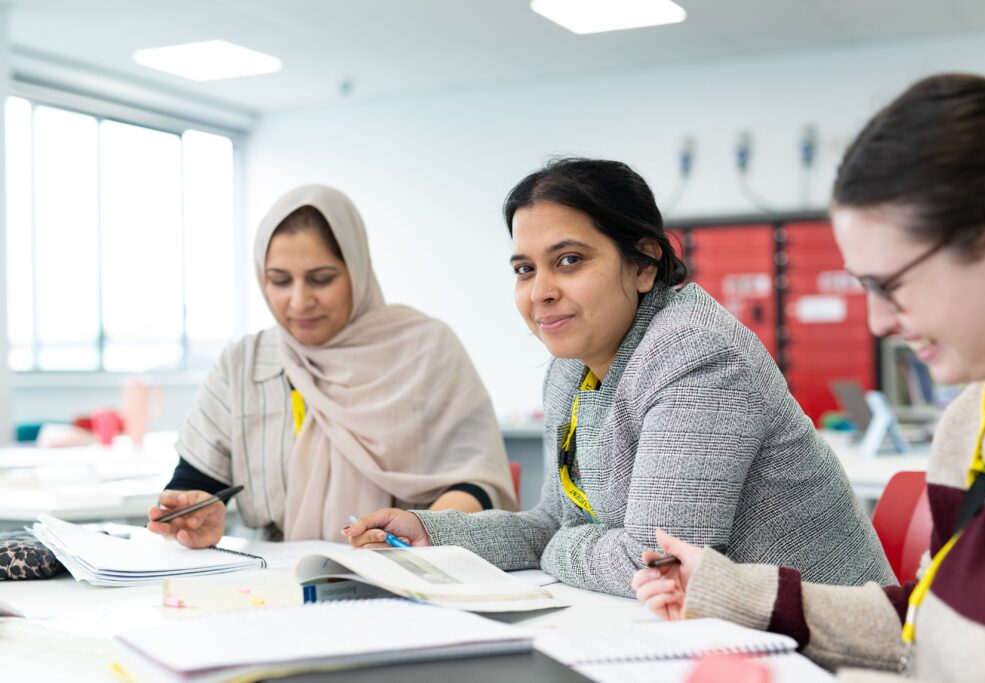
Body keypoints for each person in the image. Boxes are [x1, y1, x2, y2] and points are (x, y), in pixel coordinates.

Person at [345, 158, 893, 597]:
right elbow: (549, 525)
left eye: (569, 261)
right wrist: (433, 532)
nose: (540, 292)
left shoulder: (695, 353)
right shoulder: (570, 370)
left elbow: (658, 562)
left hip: (820, 649)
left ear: (644, 264)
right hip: (701, 636)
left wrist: (563, 546)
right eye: (524, 268)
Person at [633, 73, 985, 682]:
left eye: (890, 284)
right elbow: (926, 623)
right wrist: (728, 591)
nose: (878, 321)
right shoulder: (973, 422)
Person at [148, 185, 517, 547]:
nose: (299, 301)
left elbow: (479, 483)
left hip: (409, 572)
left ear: (357, 270)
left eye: (321, 279)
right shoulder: (242, 364)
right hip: (277, 581)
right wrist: (193, 515)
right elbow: (195, 483)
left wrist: (421, 534)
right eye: (279, 280)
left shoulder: (426, 350)